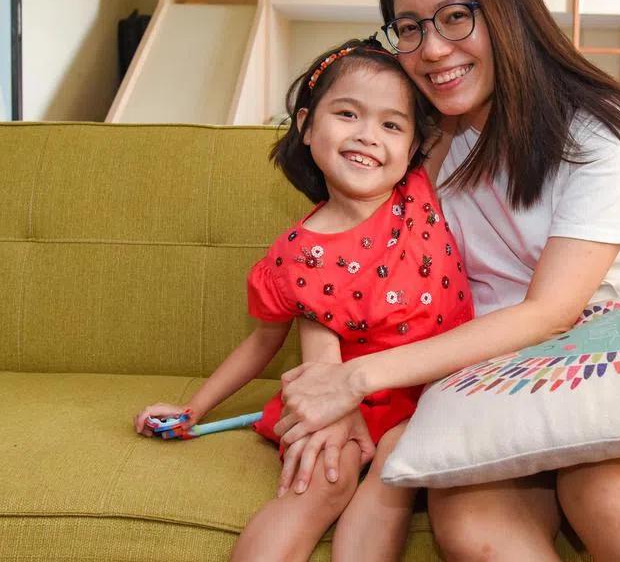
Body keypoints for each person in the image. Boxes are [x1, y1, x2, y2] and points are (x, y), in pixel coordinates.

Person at [272, 0, 620, 561]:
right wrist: (327, 383)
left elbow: (550, 311)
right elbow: (335, 264)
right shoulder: (416, 141)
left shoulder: (602, 133)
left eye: (456, 17)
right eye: (410, 27)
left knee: (606, 493)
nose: (431, 50)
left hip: (614, 349)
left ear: (508, 10)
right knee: (474, 529)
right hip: (496, 376)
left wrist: (354, 381)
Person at [133, 38, 475, 562]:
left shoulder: (417, 189)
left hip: (438, 387)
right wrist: (192, 407)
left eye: (391, 124)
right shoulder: (294, 256)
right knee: (321, 480)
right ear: (307, 125)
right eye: (347, 113)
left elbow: (456, 80)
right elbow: (262, 344)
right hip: (343, 395)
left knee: (392, 460)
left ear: (413, 148)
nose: (367, 135)